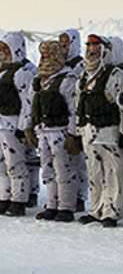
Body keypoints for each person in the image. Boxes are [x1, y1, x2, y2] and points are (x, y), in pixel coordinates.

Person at [76, 34, 123, 228]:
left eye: (96, 45)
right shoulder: (85, 74)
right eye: (89, 45)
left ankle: (112, 211)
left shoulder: (114, 74)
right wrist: (77, 130)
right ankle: (96, 208)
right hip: (89, 130)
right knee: (94, 172)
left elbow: (122, 106)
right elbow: (78, 103)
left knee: (113, 172)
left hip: (108, 130)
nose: (91, 49)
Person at [29, 39, 81, 222]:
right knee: (48, 170)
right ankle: (51, 204)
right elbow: (32, 105)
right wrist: (30, 127)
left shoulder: (67, 79)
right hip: (43, 131)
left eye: (50, 54)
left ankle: (66, 206)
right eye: (44, 55)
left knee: (64, 170)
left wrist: (73, 135)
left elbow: (74, 109)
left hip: (61, 132)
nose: (46, 58)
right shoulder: (40, 79)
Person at [0, 32, 35, 217]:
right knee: (2, 166)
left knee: (16, 164)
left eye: (6, 48)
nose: (2, 52)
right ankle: (4, 196)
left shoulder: (22, 73)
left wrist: (23, 127)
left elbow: (27, 102)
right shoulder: (2, 71)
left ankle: (19, 200)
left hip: (13, 125)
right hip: (1, 125)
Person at [59, 29, 88, 212]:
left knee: (78, 163)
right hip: (58, 121)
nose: (63, 47)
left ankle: (79, 197)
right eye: (61, 43)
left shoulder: (81, 66)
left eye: (66, 43)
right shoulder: (58, 65)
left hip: (76, 120)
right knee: (62, 164)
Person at [108, 36, 123, 218]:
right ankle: (103, 205)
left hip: (118, 128)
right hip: (99, 129)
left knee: (119, 170)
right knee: (103, 172)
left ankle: (120, 205)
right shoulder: (101, 72)